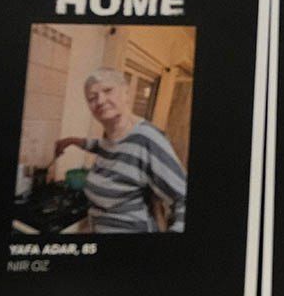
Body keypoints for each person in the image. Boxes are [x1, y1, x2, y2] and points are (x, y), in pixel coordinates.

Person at [53, 68, 186, 233]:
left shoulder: (147, 138)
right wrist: (69, 141)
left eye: (108, 90)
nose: (100, 101)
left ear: (126, 93)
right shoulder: (111, 139)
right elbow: (101, 145)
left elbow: (183, 198)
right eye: (92, 98)